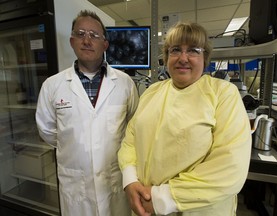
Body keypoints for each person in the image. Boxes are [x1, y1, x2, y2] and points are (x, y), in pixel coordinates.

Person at [118, 22, 252, 216]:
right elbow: (130, 139)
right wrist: (130, 180)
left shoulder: (223, 93)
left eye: (193, 50)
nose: (182, 58)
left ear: (204, 57)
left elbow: (231, 166)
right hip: (144, 205)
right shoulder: (152, 92)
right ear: (166, 57)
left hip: (196, 210)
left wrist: (161, 199)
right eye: (175, 50)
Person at [36, 10, 139, 216]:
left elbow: (134, 127)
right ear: (72, 41)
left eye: (94, 35)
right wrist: (75, 144)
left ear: (105, 44)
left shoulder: (125, 83)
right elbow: (47, 130)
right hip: (76, 186)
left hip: (114, 182)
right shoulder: (53, 85)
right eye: (81, 34)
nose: (87, 40)